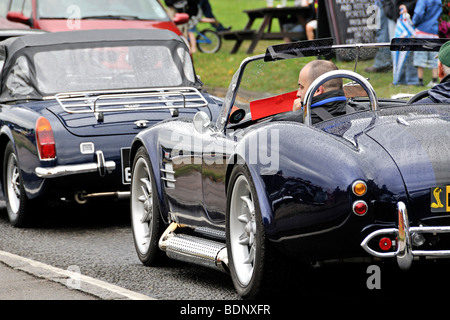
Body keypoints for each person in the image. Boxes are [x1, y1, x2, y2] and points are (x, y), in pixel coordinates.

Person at [272, 60, 347, 124]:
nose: (298, 94)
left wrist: (295, 116)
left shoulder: (283, 122)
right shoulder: (357, 110)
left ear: (317, 90)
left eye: (301, 87)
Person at [400, 0, 442, 87]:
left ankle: (420, 80)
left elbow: (419, 13)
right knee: (434, 56)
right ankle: (434, 80)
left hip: (422, 30)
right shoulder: (438, 1)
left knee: (420, 55)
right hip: (433, 31)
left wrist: (414, 22)